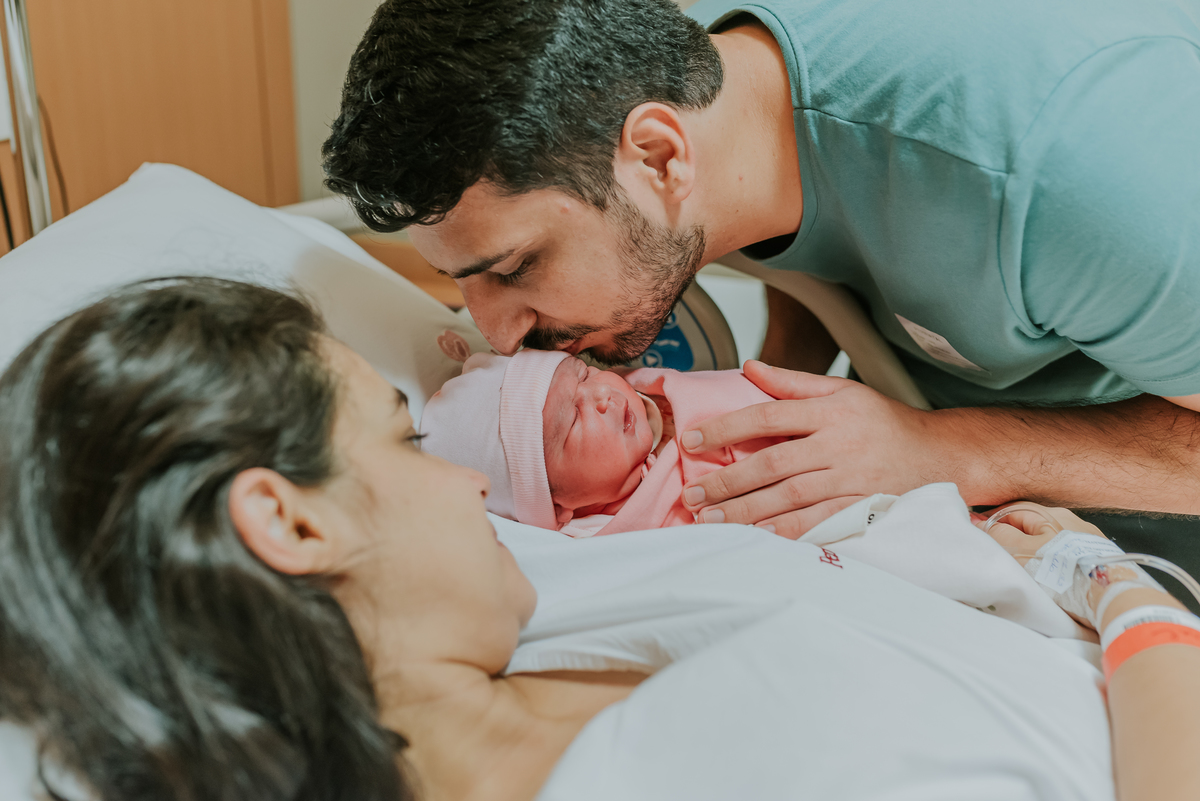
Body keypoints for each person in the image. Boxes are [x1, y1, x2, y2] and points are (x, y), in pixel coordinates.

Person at [2, 277, 1198, 800]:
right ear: (291, 520)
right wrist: (1125, 603)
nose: (469, 494)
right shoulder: (769, 752)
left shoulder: (530, 624)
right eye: (406, 444)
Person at [320, 0, 1200, 541]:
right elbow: (824, 248)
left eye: (515, 266)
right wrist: (778, 391)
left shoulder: (1075, 176)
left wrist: (944, 449)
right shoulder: (720, 91)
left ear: (659, 156)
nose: (500, 331)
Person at [419, 349, 784, 536]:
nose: (602, 395)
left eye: (585, 372)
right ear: (557, 506)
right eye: (575, 419)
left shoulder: (655, 391)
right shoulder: (603, 537)